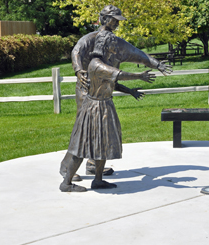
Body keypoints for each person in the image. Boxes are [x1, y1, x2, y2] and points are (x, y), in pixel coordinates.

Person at [60, 5, 172, 181]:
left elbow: (137, 54)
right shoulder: (91, 39)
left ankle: (93, 165)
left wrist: (156, 64)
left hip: (103, 92)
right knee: (82, 132)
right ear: (104, 19)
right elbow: (76, 52)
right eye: (114, 19)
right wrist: (78, 71)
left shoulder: (115, 41)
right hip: (87, 90)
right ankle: (67, 169)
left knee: (99, 132)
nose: (117, 23)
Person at [60, 30, 156, 192]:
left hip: (104, 106)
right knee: (82, 145)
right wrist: (140, 76)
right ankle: (66, 183)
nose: (116, 47)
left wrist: (131, 91)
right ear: (105, 45)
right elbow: (118, 75)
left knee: (103, 143)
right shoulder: (96, 64)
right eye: (113, 44)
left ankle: (98, 180)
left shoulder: (106, 62)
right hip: (93, 108)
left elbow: (112, 83)